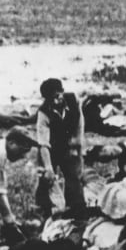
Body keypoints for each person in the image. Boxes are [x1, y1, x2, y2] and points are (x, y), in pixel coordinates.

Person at [36, 78, 86, 216]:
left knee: (74, 177)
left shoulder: (73, 100)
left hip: (69, 144)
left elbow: (80, 123)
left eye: (58, 96)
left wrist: (78, 149)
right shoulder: (43, 113)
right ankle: (42, 208)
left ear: (62, 92)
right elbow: (43, 144)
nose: (55, 100)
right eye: (51, 98)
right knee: (46, 179)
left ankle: (76, 208)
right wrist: (49, 167)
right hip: (51, 148)